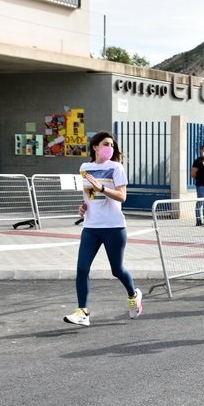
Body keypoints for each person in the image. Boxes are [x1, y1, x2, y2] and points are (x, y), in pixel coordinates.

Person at [64, 131, 143, 327]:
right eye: (106, 144)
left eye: (112, 145)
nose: (110, 148)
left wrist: (103, 189)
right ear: (95, 147)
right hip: (91, 227)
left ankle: (133, 294)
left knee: (117, 270)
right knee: (82, 268)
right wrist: (83, 207)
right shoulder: (85, 168)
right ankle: (83, 312)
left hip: (114, 227)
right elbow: (89, 196)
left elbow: (122, 197)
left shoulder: (116, 167)